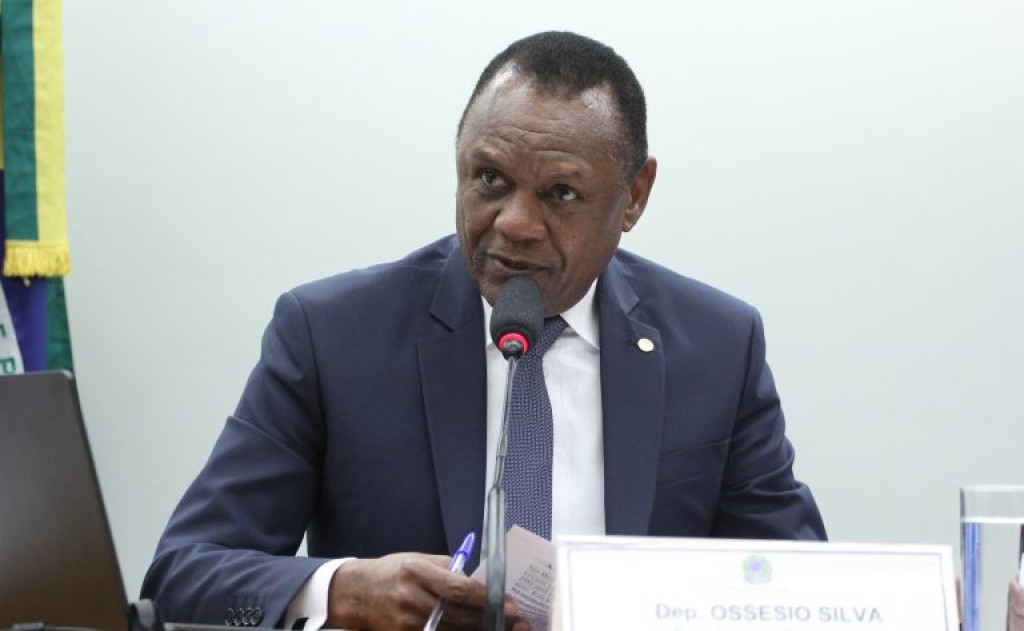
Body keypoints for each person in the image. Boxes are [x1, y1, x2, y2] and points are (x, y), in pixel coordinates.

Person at [141, 31, 826, 630]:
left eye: (560, 193)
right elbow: (183, 573)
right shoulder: (331, 336)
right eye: (490, 178)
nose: (514, 223)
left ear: (634, 197)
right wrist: (343, 589)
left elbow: (797, 588)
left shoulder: (717, 346)